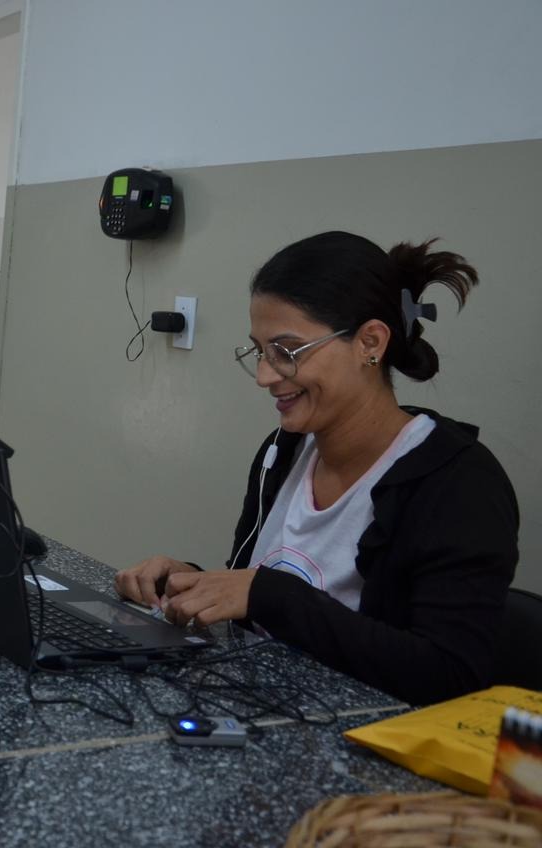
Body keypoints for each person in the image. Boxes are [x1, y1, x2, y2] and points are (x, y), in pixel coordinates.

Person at [115, 231, 518, 706]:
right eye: (259, 351)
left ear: (370, 342)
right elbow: (261, 596)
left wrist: (273, 596)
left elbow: (450, 678)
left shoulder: (459, 483)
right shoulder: (283, 451)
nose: (266, 375)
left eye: (287, 351)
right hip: (262, 710)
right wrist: (194, 585)